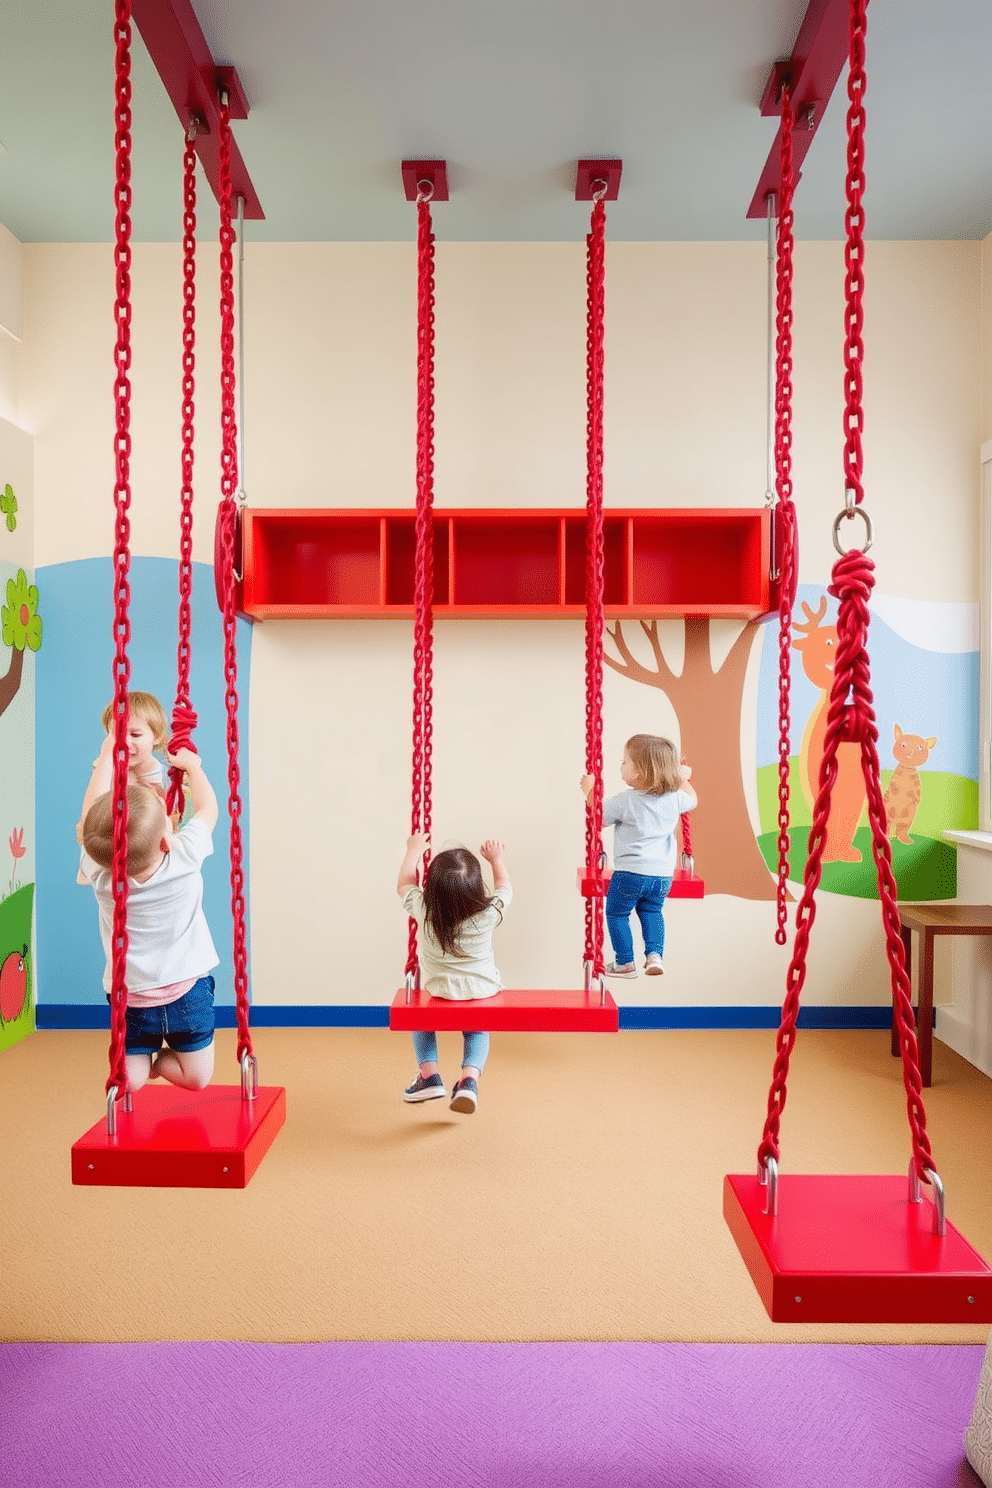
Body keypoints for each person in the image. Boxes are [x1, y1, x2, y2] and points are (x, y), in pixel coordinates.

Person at [78, 734, 220, 1093]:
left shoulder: (100, 875)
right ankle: (157, 1064)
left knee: (130, 1081)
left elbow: (90, 820)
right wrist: (193, 768)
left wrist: (107, 755)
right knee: (197, 1079)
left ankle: (144, 1065)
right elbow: (208, 810)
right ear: (164, 840)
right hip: (188, 993)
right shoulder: (183, 857)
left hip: (131, 1002)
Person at [397, 833, 511, 1115]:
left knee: (421, 1019)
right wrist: (496, 859)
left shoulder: (425, 910)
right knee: (477, 1028)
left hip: (440, 991)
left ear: (432, 890)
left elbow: (404, 885)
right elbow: (505, 887)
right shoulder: (487, 914)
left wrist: (413, 851)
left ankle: (429, 1075)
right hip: (482, 990)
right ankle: (469, 1079)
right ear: (475, 889)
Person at [580, 733, 697, 978]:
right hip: (662, 876)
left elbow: (598, 816)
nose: (620, 767)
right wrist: (682, 777)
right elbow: (693, 800)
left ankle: (625, 963)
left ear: (640, 773)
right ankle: (655, 956)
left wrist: (589, 791)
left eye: (624, 762)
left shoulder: (627, 800)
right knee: (652, 912)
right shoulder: (675, 798)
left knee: (617, 913)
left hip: (630, 874)